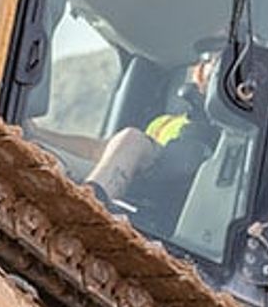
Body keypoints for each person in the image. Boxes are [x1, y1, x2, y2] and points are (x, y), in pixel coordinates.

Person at [86, 46, 221, 227]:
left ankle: (84, 210)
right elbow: (102, 151)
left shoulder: (239, 137)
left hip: (164, 208)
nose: (213, 66)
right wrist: (38, 134)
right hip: (126, 190)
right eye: (209, 60)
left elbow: (131, 146)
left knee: (132, 139)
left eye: (219, 64)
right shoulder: (163, 122)